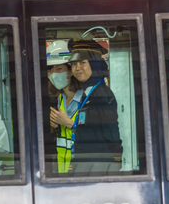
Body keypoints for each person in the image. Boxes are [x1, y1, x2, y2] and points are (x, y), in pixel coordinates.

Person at [67, 40, 122, 173]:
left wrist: (115, 158)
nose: (77, 68)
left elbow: (111, 132)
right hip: (86, 163)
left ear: (95, 64)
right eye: (74, 64)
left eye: (83, 62)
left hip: (97, 165)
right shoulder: (87, 93)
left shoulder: (102, 94)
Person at [46, 39, 83, 173]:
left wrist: (69, 123)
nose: (53, 74)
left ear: (71, 70)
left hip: (83, 171)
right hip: (64, 172)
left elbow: (97, 135)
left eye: (59, 68)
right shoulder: (60, 100)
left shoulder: (86, 99)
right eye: (51, 69)